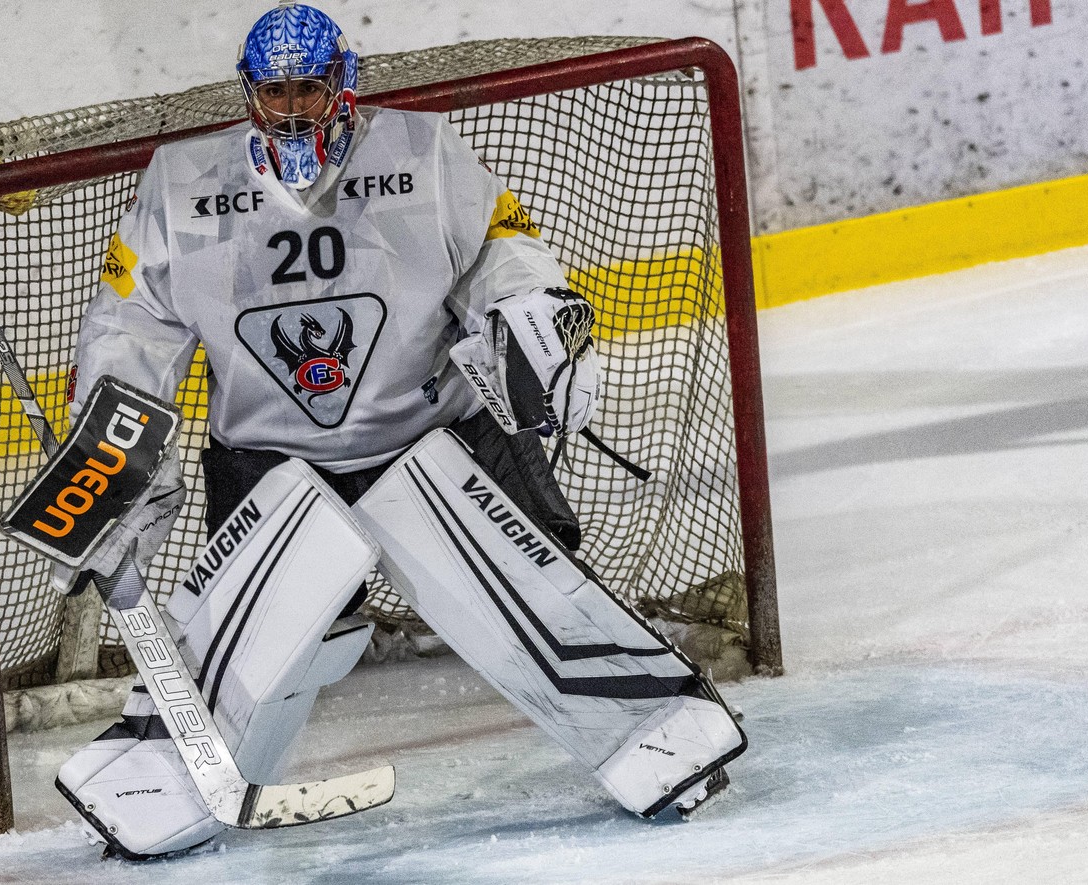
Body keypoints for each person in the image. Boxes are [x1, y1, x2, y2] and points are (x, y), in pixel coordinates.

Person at [49, 2, 746, 860]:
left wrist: (530, 307)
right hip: (272, 464)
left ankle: (661, 729)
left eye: (310, 88)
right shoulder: (183, 185)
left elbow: (499, 248)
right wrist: (110, 454)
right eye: (276, 93)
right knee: (274, 636)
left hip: (436, 434)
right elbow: (134, 325)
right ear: (251, 95)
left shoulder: (421, 153)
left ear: (345, 83)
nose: (295, 109)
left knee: (529, 579)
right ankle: (161, 781)